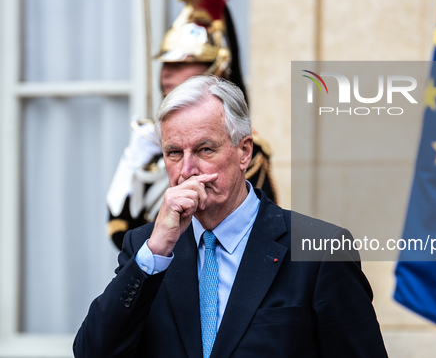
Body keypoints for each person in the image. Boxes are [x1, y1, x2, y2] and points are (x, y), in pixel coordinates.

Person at [73, 75, 388, 358]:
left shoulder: (320, 250)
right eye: (173, 153)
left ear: (245, 152)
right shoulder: (148, 247)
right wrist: (156, 252)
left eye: (205, 149)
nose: (186, 170)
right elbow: (93, 351)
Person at [106, 0, 277, 250]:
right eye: (166, 66)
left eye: (182, 64)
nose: (167, 76)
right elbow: (121, 231)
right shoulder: (148, 144)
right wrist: (132, 167)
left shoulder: (252, 151)